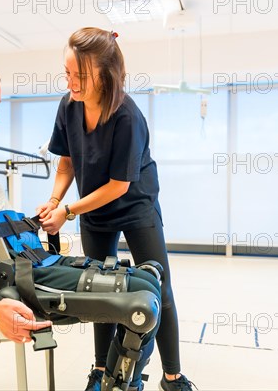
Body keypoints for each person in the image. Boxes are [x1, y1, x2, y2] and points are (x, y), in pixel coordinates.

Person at [0, 58, 161, 389]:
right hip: (2, 279)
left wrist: (39, 219)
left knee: (149, 277)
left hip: (27, 260)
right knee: (143, 297)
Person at [37, 28, 195, 391]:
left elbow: (119, 186)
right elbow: (66, 163)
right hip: (92, 208)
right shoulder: (68, 105)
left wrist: (69, 211)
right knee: (98, 293)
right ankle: (100, 370)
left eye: (80, 76)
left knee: (160, 290)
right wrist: (55, 200)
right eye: (67, 73)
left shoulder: (126, 116)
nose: (71, 82)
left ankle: (172, 377)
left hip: (134, 205)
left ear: (105, 75)